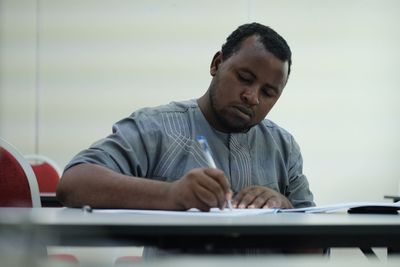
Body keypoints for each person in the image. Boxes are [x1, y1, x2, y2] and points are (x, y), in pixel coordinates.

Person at [57, 22, 316, 256]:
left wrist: (286, 210)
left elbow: (315, 249)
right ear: (217, 64)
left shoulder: (283, 147)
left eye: (268, 92)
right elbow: (74, 182)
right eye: (244, 78)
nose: (253, 97)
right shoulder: (158, 127)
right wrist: (172, 194)